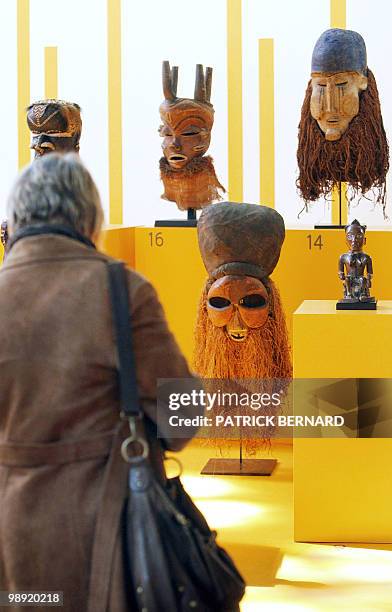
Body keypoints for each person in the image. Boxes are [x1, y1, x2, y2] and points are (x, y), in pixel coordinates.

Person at [0, 153, 197, 611]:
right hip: (104, 526)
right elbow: (182, 419)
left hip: (10, 531)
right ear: (89, 216)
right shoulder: (120, 290)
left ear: (17, 216)